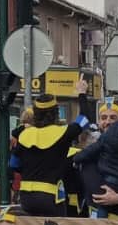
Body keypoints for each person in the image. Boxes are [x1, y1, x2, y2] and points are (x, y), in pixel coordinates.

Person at [11, 80, 92, 216]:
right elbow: (84, 119)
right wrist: (81, 94)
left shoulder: (24, 135)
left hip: (26, 197)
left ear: (35, 114)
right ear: (56, 113)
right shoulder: (64, 132)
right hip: (51, 196)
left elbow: (13, 164)